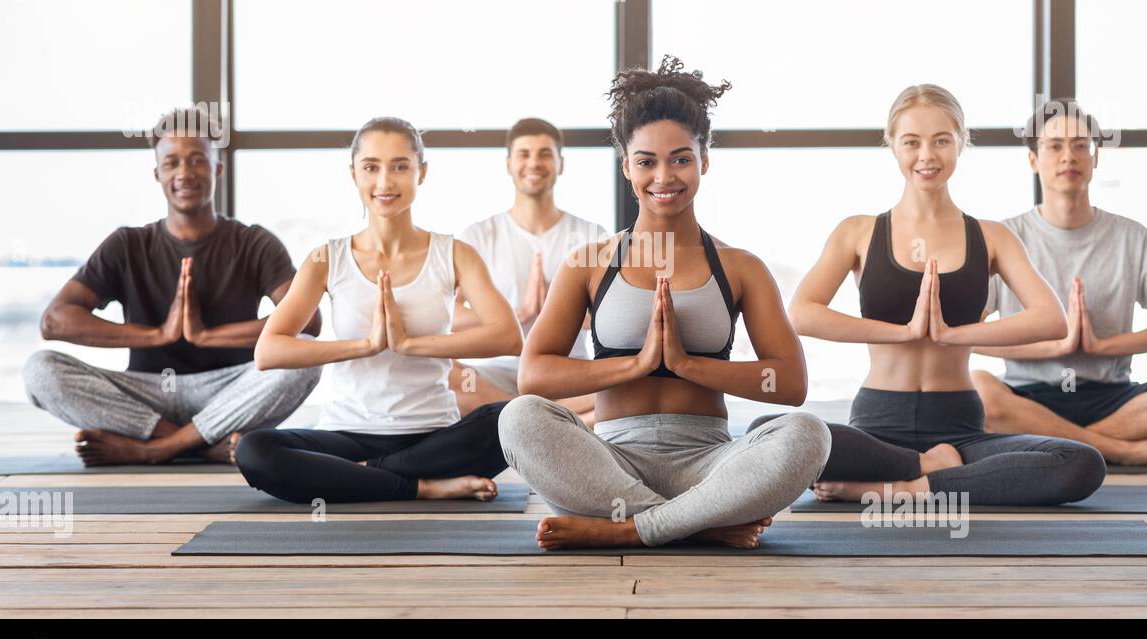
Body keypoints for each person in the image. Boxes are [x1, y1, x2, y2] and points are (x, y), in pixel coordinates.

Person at [498, 56, 831, 550]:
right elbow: (535, 376)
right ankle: (698, 524)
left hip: (709, 464)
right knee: (517, 417)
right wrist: (637, 364)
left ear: (705, 160)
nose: (664, 177)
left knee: (809, 433)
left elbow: (790, 384)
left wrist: (686, 364)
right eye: (646, 161)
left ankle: (631, 530)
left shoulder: (741, 267)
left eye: (681, 158)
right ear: (626, 165)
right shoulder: (588, 263)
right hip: (610, 467)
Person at [766, 84, 1106, 506]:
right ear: (892, 145)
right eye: (912, 142)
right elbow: (802, 313)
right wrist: (904, 333)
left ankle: (910, 487)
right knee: (772, 432)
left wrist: (952, 335)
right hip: (876, 425)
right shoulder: (858, 231)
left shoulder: (992, 237)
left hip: (960, 429)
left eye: (942, 140)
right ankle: (926, 467)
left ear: (962, 143)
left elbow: (1050, 319)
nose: (927, 155)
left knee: (1080, 462)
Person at [234, 117, 523, 503]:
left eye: (400, 166)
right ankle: (419, 486)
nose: (385, 182)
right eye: (371, 167)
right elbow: (269, 352)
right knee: (253, 450)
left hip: (432, 435)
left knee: (512, 417)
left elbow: (508, 336)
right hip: (347, 434)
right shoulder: (326, 258)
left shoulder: (454, 254)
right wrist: (366, 346)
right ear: (353, 173)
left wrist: (408, 344)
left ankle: (359, 478)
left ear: (422, 172)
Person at [22, 106, 321, 466]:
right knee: (39, 370)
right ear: (157, 173)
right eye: (172, 163)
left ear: (217, 169)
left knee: (304, 357)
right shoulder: (128, 245)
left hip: (229, 392)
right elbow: (54, 321)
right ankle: (199, 444)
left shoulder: (254, 242)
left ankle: (154, 448)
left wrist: (207, 335)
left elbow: (309, 321)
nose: (185, 173)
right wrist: (159, 334)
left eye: (197, 160)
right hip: (147, 392)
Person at [969, 98, 1147, 467]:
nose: (1068, 157)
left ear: (1095, 157)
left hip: (1114, 396)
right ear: (1033, 160)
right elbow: (967, 333)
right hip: (1027, 396)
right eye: (1054, 146)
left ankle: (1063, 443)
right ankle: (1127, 450)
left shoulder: (1130, 236)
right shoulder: (1004, 237)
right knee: (979, 389)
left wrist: (1102, 346)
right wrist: (1053, 347)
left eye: (1080, 145)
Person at [448, 117, 609, 424]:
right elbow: (447, 314)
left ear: (560, 164)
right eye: (524, 154)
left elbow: (609, 319)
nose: (534, 163)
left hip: (565, 373)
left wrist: (560, 308)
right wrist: (513, 315)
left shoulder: (593, 235)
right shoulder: (478, 235)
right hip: (496, 375)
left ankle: (515, 417)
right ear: (509, 164)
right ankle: (537, 415)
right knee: (440, 373)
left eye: (545, 154)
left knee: (631, 387)